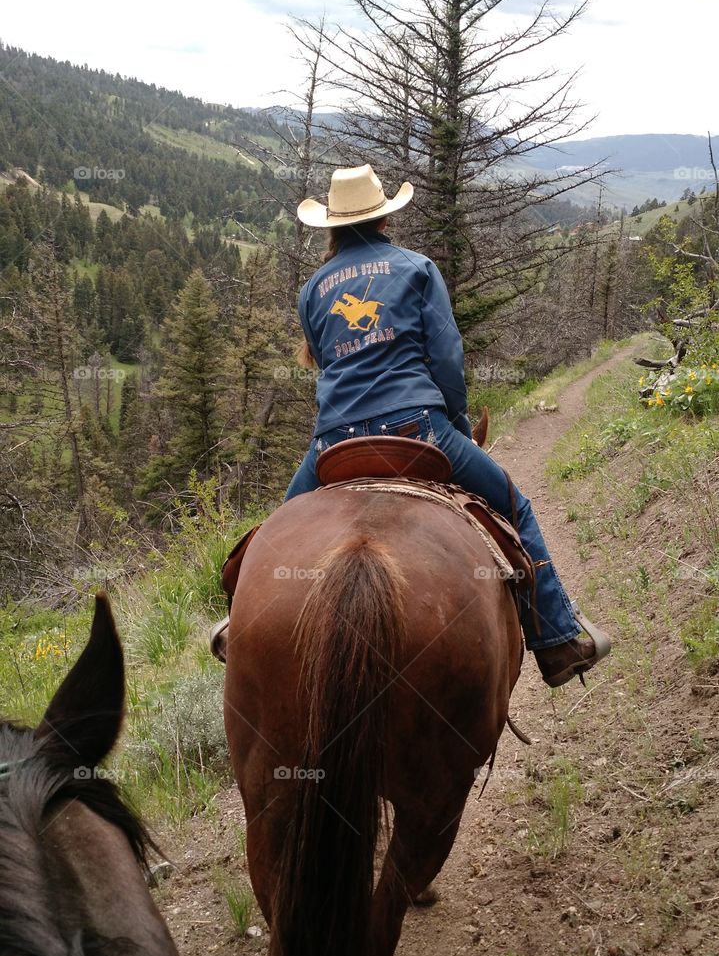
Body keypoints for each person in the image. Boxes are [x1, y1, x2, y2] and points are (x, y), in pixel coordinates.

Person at [211, 164, 610, 686]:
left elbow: (326, 365)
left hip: (336, 439)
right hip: (416, 427)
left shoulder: (313, 290)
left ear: (331, 226)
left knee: (274, 535)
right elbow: (446, 358)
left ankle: (239, 624)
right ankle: (557, 641)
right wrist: (458, 426)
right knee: (516, 507)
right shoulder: (417, 267)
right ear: (382, 218)